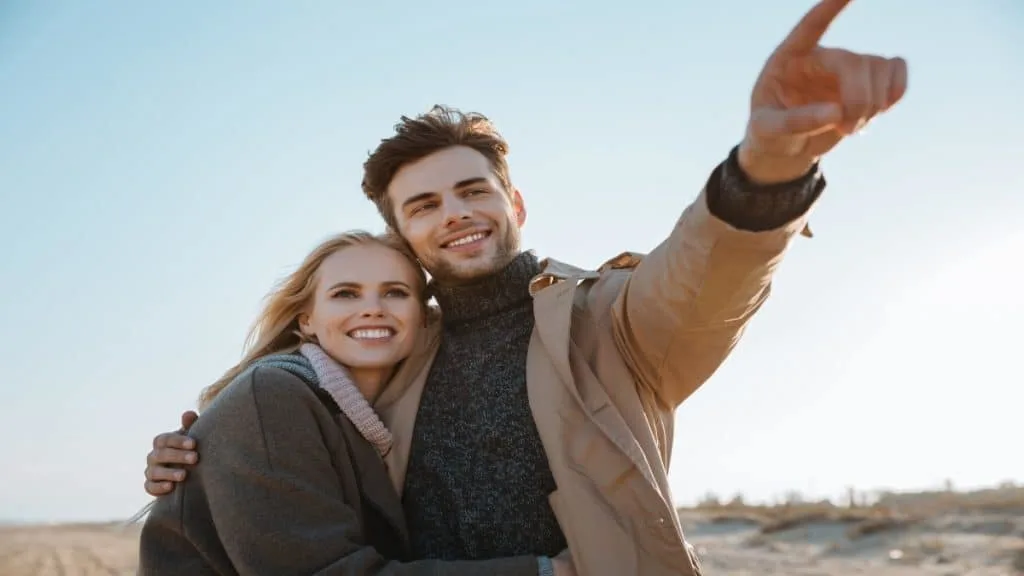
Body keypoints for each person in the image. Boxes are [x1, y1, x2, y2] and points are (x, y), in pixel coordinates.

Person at [142, 1, 908, 573]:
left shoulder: (608, 322)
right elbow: (291, 446)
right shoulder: (393, 359)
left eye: (473, 191)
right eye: (425, 205)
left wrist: (766, 169)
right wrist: (194, 457)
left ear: (514, 204)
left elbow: (704, 282)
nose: (457, 215)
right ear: (403, 236)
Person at [137, 231, 571, 575]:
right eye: (346, 294)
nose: (373, 309)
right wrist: (548, 573)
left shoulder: (370, 417)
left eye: (395, 292)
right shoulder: (273, 397)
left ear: (423, 316)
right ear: (306, 319)